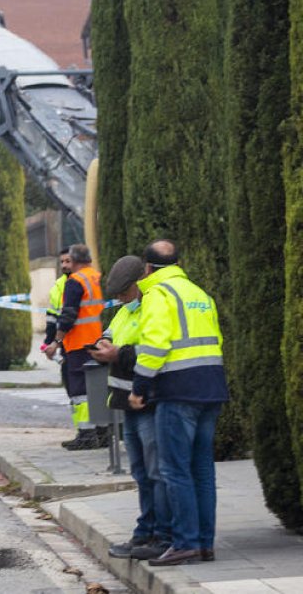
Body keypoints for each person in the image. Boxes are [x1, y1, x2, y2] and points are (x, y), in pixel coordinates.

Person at [129, 239, 226, 567]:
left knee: (175, 469)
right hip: (211, 387)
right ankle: (204, 544)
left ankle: (185, 543)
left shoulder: (158, 294)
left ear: (147, 268)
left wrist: (139, 387)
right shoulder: (199, 293)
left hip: (178, 391)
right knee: (202, 470)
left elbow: (155, 344)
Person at [92, 256, 172, 561]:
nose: (120, 299)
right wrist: (103, 343)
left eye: (123, 292)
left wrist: (118, 355)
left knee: (156, 470)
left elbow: (154, 349)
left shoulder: (153, 305)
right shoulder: (127, 310)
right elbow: (112, 332)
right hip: (128, 400)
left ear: (139, 283)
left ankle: (161, 534)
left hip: (148, 399)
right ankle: (145, 531)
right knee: (140, 471)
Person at [44, 244, 106, 450]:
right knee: (98, 387)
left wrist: (56, 342)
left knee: (80, 392)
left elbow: (69, 315)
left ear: (75, 261)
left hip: (79, 343)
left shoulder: (75, 281)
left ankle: (86, 434)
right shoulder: (98, 277)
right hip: (101, 341)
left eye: (68, 261)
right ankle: (103, 433)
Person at [42, 248, 72, 352]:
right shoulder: (57, 286)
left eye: (68, 261)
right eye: (62, 262)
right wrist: (48, 342)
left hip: (82, 342)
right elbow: (51, 317)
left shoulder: (82, 283)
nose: (64, 265)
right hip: (64, 344)